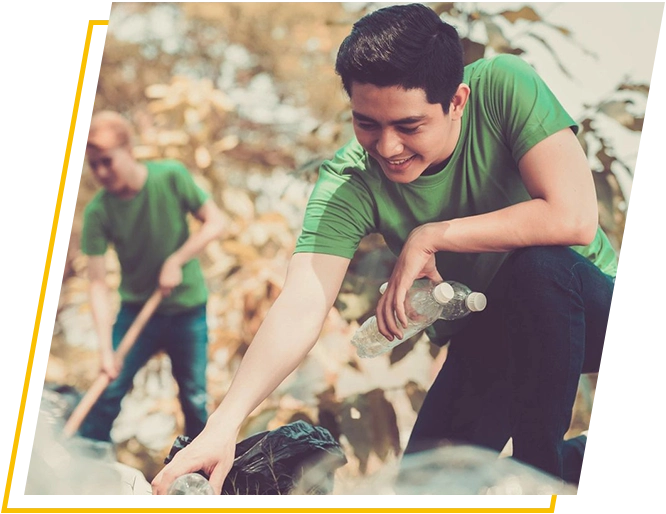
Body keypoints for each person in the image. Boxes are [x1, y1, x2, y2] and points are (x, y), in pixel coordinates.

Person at [151, 4, 616, 495]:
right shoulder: (349, 181)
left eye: (409, 126)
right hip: (493, 336)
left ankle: (541, 480)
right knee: (423, 490)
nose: (387, 146)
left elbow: (573, 217)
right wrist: (222, 426)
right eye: (366, 123)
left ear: (456, 101)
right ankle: (573, 461)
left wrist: (431, 234)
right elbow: (302, 302)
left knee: (536, 268)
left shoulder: (503, 85)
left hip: (588, 314)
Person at [77, 110, 225, 444]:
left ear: (128, 150)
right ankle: (84, 470)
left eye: (107, 161)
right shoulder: (98, 212)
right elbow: (97, 284)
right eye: (93, 164)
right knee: (107, 393)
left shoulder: (170, 176)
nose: (100, 171)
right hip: (136, 313)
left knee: (194, 400)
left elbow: (216, 222)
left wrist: (177, 259)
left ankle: (200, 482)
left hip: (187, 310)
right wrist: (104, 350)